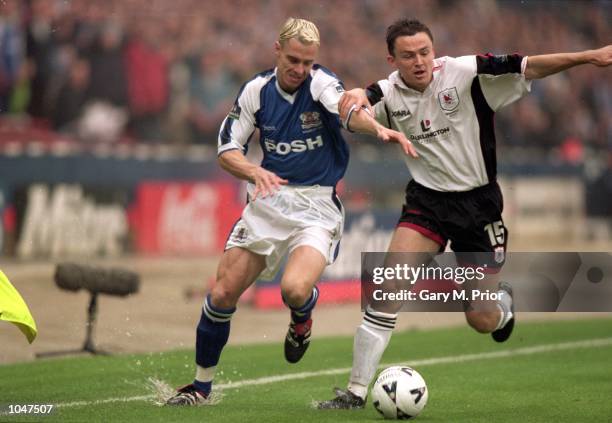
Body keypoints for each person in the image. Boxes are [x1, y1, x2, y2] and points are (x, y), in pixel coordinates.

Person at [318, 18, 612, 409]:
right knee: (387, 290)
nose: (419, 61)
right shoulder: (387, 93)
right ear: (393, 59)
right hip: (427, 204)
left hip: (479, 207)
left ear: (434, 50)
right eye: (408, 56)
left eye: (425, 52)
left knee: (481, 319)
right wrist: (355, 98)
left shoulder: (466, 72)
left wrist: (588, 56)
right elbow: (355, 113)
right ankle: (354, 393)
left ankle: (504, 306)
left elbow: (528, 66)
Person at [165, 17, 414, 406]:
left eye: (308, 62)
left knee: (294, 289)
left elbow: (346, 111)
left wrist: (375, 128)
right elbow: (226, 149)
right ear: (277, 51)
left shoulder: (319, 83)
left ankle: (302, 317)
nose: (300, 70)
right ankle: (200, 387)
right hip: (268, 200)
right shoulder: (255, 91)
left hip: (316, 205)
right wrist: (253, 170)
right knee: (222, 292)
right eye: (294, 60)